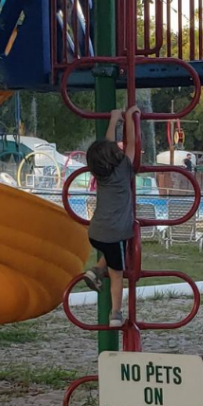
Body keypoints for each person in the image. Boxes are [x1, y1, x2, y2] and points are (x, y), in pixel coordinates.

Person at [82, 106, 139, 328]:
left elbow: (106, 146)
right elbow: (132, 144)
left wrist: (114, 119)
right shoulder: (124, 167)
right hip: (113, 233)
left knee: (114, 251)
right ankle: (115, 313)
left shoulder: (100, 172)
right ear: (117, 154)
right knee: (117, 273)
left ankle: (95, 270)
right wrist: (130, 119)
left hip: (96, 231)